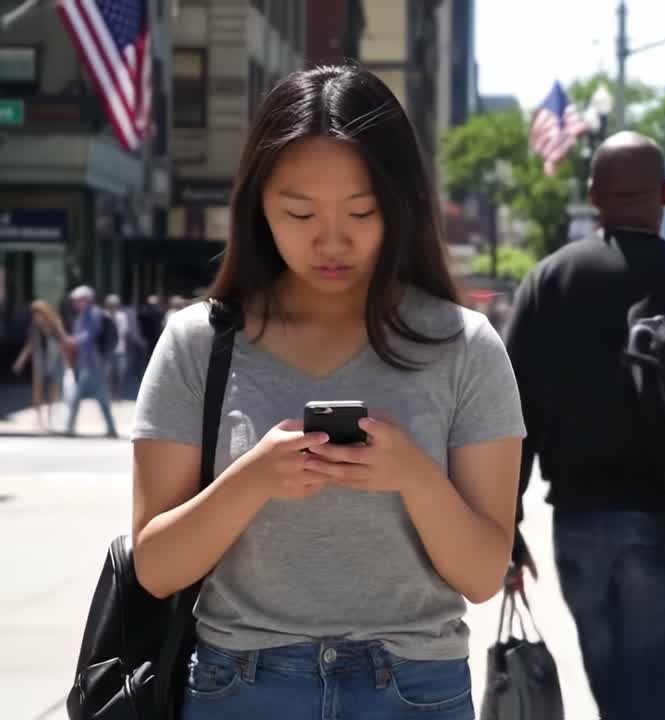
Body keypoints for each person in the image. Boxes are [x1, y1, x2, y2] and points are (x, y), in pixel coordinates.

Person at [130, 65, 525, 720]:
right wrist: (251, 480)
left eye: (362, 212)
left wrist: (413, 477)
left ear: (399, 205)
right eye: (300, 212)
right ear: (257, 203)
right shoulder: (198, 343)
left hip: (414, 689)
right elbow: (155, 566)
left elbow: (484, 575)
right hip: (240, 686)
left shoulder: (465, 346)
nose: (331, 240)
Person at [503, 131, 665, 720]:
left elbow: (507, 414)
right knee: (654, 706)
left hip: (577, 525)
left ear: (593, 196)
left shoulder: (550, 281)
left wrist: (505, 525)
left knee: (614, 700)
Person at [63, 285, 119, 438]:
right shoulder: (82, 316)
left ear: (86, 300)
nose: (75, 303)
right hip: (86, 363)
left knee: (78, 396)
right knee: (100, 398)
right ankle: (110, 428)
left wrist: (74, 340)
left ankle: (69, 427)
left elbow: (91, 334)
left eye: (78, 300)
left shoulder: (93, 314)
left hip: (94, 363)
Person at [11, 299, 69, 431]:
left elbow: (63, 341)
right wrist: (21, 360)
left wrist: (66, 362)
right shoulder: (34, 326)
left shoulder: (55, 323)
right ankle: (39, 419)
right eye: (34, 314)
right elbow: (30, 345)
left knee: (53, 391)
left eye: (38, 313)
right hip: (40, 361)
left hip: (54, 360)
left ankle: (51, 418)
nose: (35, 316)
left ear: (44, 313)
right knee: (37, 391)